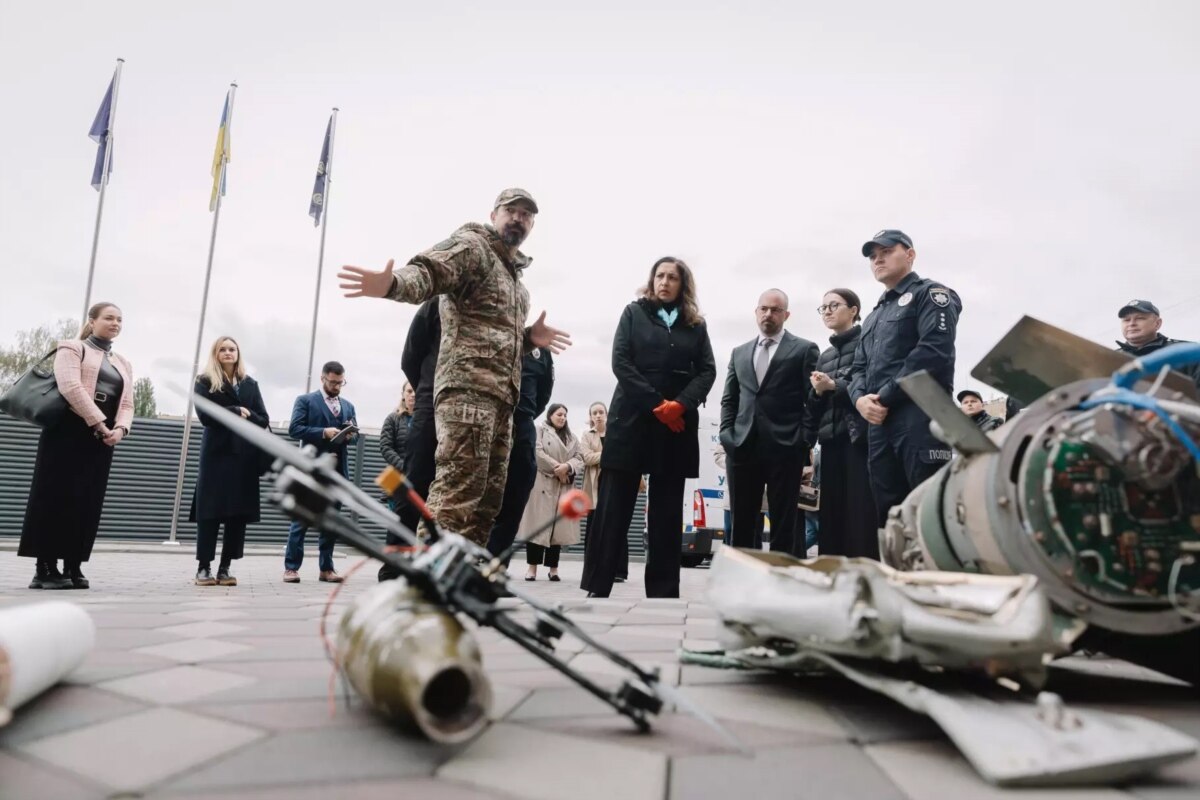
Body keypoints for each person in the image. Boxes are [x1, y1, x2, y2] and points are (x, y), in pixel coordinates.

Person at [338, 188, 571, 546]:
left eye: (527, 214)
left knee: (486, 502)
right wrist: (392, 284)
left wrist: (527, 339)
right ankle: (428, 581)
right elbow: (429, 271)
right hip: (467, 395)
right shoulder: (473, 247)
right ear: (494, 214)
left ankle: (462, 578)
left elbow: (491, 335)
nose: (518, 218)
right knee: (456, 493)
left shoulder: (516, 284)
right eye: (511, 210)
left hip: (501, 403)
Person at [581, 257, 717, 598]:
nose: (665, 282)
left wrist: (680, 405)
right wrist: (657, 405)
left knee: (667, 511)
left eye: (673, 277)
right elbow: (621, 361)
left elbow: (707, 370)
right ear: (652, 280)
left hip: (676, 425)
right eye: (660, 276)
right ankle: (598, 583)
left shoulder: (695, 325)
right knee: (614, 507)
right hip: (632, 420)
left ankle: (663, 588)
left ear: (683, 285)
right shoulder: (634, 313)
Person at [849, 230, 961, 531]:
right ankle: (898, 577)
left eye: (886, 250)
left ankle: (934, 580)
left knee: (928, 513)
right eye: (873, 256)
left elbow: (932, 353)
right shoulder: (873, 317)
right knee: (890, 518)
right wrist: (860, 399)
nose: (878, 259)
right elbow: (857, 368)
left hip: (920, 417)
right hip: (878, 423)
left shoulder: (932, 294)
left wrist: (883, 396)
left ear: (910, 254)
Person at [19, 302, 133, 590]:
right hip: (67, 432)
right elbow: (70, 386)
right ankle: (44, 568)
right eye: (109, 318)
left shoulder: (123, 362)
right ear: (92, 321)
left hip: (103, 437)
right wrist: (97, 422)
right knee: (55, 497)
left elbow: (128, 402)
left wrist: (119, 429)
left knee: (87, 501)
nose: (115, 323)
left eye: (119, 319)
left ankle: (73, 564)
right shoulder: (72, 347)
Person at [719, 288, 819, 556]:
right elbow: (730, 399)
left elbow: (813, 400)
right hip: (742, 447)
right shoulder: (739, 352)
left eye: (775, 310)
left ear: (786, 314)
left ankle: (780, 584)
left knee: (784, 523)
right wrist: (727, 436)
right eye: (763, 308)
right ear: (756, 312)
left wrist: (804, 440)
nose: (768, 314)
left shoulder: (804, 349)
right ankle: (743, 584)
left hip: (786, 447)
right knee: (741, 522)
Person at [190, 336, 270, 587]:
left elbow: (263, 418)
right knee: (210, 513)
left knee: (237, 515)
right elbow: (205, 416)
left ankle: (225, 568)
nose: (227, 352)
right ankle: (204, 568)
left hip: (244, 458)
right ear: (215, 354)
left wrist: (246, 415)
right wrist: (236, 412)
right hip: (216, 455)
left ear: (238, 353)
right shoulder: (204, 382)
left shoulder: (249, 384)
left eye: (232, 349)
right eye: (222, 349)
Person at [809, 288, 877, 558]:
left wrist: (834, 386)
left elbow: (869, 385)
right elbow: (814, 403)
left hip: (859, 438)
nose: (827, 311)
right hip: (830, 441)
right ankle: (832, 578)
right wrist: (817, 392)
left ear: (854, 310)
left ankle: (863, 576)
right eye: (823, 307)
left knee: (860, 513)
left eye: (834, 305)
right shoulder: (824, 355)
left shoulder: (867, 344)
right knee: (832, 516)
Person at [379, 301, 441, 582]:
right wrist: (427, 388)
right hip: (432, 405)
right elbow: (410, 358)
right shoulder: (436, 305)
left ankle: (437, 566)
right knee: (413, 491)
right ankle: (393, 564)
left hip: (468, 414)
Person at [283, 361, 357, 583]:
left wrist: (351, 435)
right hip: (311, 469)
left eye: (340, 382)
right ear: (323, 378)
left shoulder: (348, 406)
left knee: (331, 520)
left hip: (337, 472)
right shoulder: (305, 401)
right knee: (302, 518)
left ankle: (326, 569)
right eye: (333, 382)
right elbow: (294, 429)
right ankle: (291, 568)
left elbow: (354, 435)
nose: (337, 386)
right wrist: (323, 432)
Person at [485, 346, 555, 561]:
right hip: (484, 420)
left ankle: (494, 566)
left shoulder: (539, 349)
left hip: (521, 423)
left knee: (516, 495)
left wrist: (524, 414)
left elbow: (544, 392)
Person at [520, 403, 584, 580]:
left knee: (558, 530)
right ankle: (532, 568)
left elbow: (580, 457)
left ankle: (553, 568)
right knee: (537, 527)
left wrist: (568, 467)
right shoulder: (540, 430)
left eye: (565, 415)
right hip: (543, 484)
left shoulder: (572, 437)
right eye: (559, 414)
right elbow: (537, 452)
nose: (562, 418)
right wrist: (559, 468)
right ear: (550, 415)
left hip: (563, 487)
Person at [579, 401, 629, 581]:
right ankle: (591, 568)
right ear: (591, 417)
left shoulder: (616, 432)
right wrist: (609, 454)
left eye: (601, 412)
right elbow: (586, 457)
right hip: (594, 485)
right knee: (593, 529)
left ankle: (619, 571)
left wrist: (602, 456)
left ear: (607, 414)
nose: (598, 415)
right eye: (595, 413)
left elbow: (623, 454)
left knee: (617, 525)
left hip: (615, 482)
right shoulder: (586, 435)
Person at [1116, 299, 1200, 387]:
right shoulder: (1112, 358)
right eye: (1126, 320)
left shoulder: (1186, 352)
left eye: (1140, 318)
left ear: (1157, 323)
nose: (1132, 324)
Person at [379, 381, 416, 510]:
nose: (413, 394)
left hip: (418, 479)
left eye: (416, 390)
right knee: (395, 524)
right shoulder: (392, 418)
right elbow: (385, 447)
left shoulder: (428, 420)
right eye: (409, 391)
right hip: (396, 479)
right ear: (403, 394)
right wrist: (404, 467)